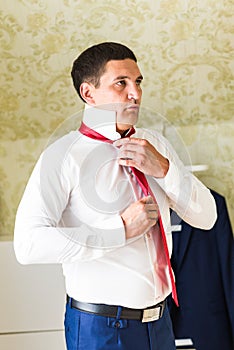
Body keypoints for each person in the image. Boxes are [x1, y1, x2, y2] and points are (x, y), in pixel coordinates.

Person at [14, 42, 217, 350]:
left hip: (161, 323)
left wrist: (164, 169)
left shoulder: (155, 143)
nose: (134, 93)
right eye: (121, 83)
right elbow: (28, 245)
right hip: (101, 329)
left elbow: (207, 217)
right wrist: (118, 231)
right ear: (88, 93)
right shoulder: (62, 156)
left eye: (137, 82)